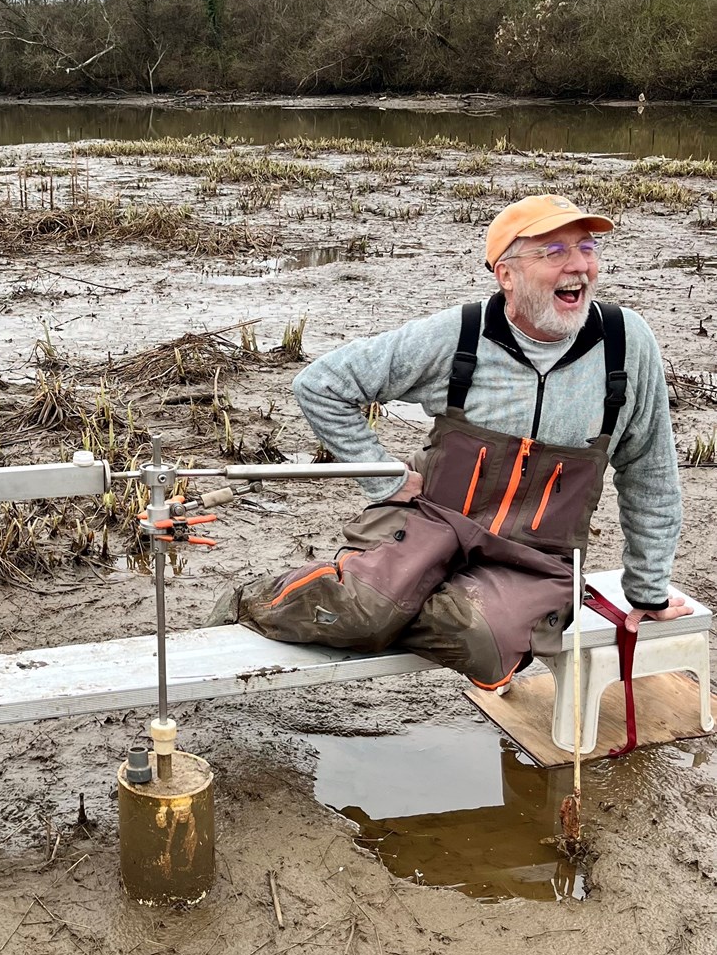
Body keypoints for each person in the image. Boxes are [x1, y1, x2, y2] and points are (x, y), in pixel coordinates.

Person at [210, 194, 692, 688]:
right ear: (507, 274)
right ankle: (251, 598)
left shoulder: (627, 344)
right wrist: (383, 478)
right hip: (430, 522)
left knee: (481, 640)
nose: (579, 266)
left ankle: (400, 600)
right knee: (365, 613)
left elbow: (650, 471)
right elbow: (322, 385)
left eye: (586, 248)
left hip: (535, 558)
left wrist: (648, 590)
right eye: (554, 252)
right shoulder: (457, 336)